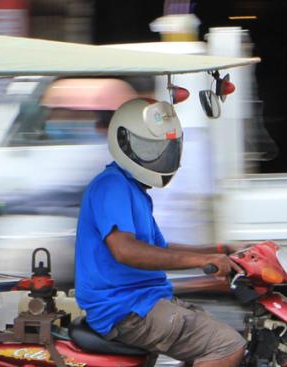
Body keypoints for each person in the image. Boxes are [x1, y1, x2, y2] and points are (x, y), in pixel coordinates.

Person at [75, 98, 246, 367]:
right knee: (226, 345)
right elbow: (125, 250)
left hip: (143, 302)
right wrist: (203, 261)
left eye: (164, 148)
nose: (159, 157)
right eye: (149, 148)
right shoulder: (112, 186)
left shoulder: (134, 190)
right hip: (125, 310)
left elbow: (160, 251)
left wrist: (219, 250)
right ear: (124, 143)